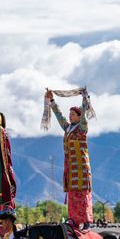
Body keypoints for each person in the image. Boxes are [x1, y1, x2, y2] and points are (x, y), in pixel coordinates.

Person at [45, 89, 93, 230]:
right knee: (72, 194)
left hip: (82, 167)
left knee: (82, 193)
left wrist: (84, 99)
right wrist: (52, 101)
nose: (70, 117)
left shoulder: (82, 128)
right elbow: (59, 116)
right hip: (70, 168)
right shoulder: (67, 129)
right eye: (70, 115)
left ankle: (86, 221)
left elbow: (84, 113)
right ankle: (73, 220)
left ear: (79, 116)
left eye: (73, 114)